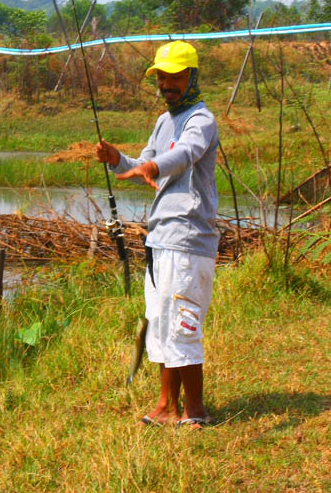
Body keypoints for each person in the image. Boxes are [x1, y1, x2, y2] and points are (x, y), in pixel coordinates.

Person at [95, 40, 219, 428]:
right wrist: (119, 161)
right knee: (160, 321)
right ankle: (166, 405)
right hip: (159, 238)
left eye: (175, 77)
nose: (167, 85)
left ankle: (194, 411)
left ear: (193, 77)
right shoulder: (164, 121)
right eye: (161, 78)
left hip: (188, 238)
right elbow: (145, 161)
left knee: (183, 321)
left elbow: (184, 154)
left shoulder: (202, 120)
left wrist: (153, 167)